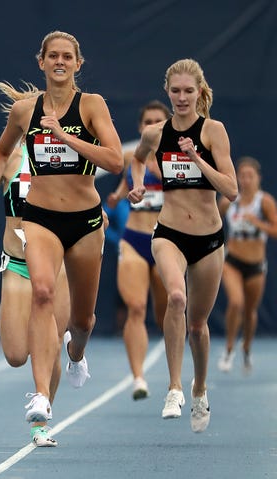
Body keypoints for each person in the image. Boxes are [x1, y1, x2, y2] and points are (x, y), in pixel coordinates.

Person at [0, 31, 123, 425]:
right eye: (52, 56)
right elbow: (1, 150)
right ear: (40, 62)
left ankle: (76, 355)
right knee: (42, 293)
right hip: (39, 217)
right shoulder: (25, 111)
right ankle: (41, 396)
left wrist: (64, 136)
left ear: (78, 64)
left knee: (83, 320)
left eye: (67, 57)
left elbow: (115, 160)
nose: (59, 62)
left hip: (85, 220)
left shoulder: (91, 105)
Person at [127, 59, 238, 433]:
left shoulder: (213, 131)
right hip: (169, 232)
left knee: (198, 326)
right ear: (167, 92)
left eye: (188, 91)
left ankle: (199, 388)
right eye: (175, 91)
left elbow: (231, 190)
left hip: (208, 239)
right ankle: (174, 386)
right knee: (176, 297)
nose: (181, 97)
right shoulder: (156, 133)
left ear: (199, 93)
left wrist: (195, 157)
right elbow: (138, 158)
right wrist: (138, 184)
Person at [0, 80, 69, 447]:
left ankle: (42, 421)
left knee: (49, 341)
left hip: (56, 265)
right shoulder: (10, 160)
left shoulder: (65, 153)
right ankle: (68, 337)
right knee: (15, 355)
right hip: (18, 262)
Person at [107, 100, 171, 400]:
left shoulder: (176, 158)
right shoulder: (132, 157)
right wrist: (116, 197)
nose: (154, 126)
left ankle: (176, 379)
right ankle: (138, 377)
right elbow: (121, 188)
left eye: (159, 121)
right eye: (148, 121)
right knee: (135, 307)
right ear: (140, 127)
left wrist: (156, 162)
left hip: (166, 242)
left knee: (167, 312)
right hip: (133, 238)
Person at [217, 156, 277, 373]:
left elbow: (275, 230)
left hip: (256, 264)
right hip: (232, 260)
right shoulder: (228, 201)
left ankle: (247, 348)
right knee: (235, 303)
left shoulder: (265, 202)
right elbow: (213, 220)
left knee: (250, 311)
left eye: (250, 176)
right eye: (242, 175)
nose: (246, 180)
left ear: (258, 178)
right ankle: (229, 348)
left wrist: (257, 222)